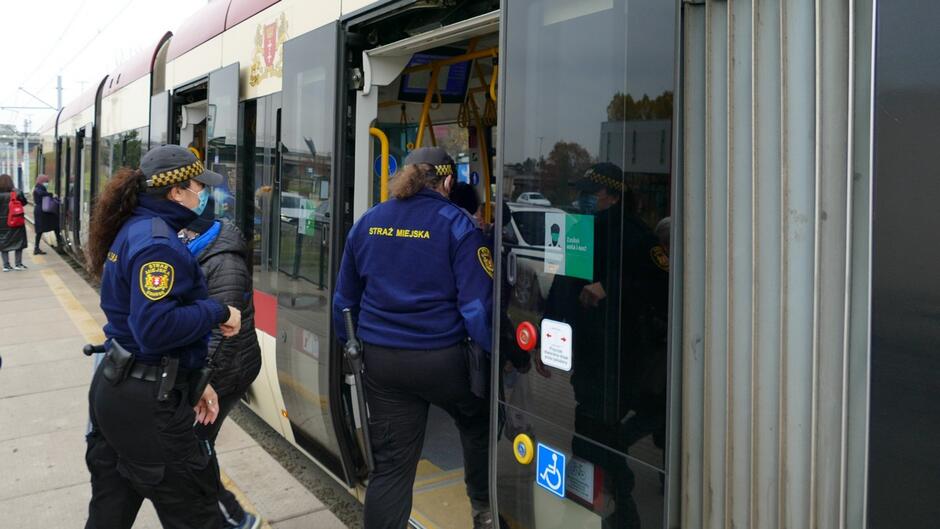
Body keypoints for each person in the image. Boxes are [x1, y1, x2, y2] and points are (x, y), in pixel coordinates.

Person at [333, 147, 494, 529]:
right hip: (442, 359)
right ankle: (484, 507)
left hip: (382, 363)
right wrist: (496, 361)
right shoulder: (459, 225)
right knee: (478, 421)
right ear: (448, 181)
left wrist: (351, 349)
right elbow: (477, 310)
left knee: (390, 468)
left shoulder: (369, 221)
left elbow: (344, 301)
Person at [83, 144, 242, 529]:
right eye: (197, 186)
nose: (203, 194)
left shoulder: (136, 228)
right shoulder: (159, 245)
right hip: (148, 404)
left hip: (116, 389)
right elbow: (155, 329)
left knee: (110, 510)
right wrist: (218, 311)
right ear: (175, 192)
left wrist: (194, 379)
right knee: (199, 513)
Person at [543, 163, 669, 528]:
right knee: (592, 426)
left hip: (620, 355)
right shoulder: (580, 229)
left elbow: (663, 290)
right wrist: (547, 335)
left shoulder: (637, 237)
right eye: (580, 191)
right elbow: (562, 287)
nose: (582, 199)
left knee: (596, 430)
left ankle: (615, 503)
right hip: (586, 353)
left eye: (590, 192)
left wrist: (611, 288)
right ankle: (605, 501)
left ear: (613, 195)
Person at [181, 198, 262, 529]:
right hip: (213, 366)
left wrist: (200, 383)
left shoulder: (224, 263)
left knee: (194, 447)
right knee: (194, 447)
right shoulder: (197, 251)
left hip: (227, 370)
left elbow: (223, 334)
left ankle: (233, 517)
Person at [0, 173, 29, 271]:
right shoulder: (16, 193)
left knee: (3, 243)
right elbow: (24, 203)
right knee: (18, 242)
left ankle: (6, 265)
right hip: (16, 221)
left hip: (2, 224)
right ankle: (18, 264)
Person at [32, 174, 63, 254]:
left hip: (44, 212)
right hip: (41, 212)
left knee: (55, 226)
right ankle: (36, 248)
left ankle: (59, 244)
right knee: (41, 230)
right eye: (46, 182)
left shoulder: (40, 187)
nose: (47, 183)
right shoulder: (38, 188)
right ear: (42, 181)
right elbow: (41, 194)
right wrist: (51, 194)